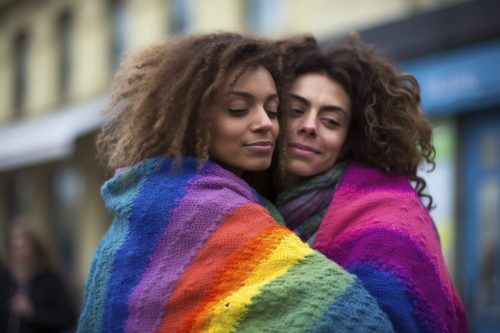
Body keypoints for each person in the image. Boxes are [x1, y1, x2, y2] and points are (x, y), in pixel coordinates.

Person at [77, 33, 394, 332]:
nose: (265, 124)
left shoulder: (129, 216)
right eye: (238, 109)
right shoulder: (216, 212)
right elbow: (354, 318)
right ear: (193, 118)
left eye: (272, 110)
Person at [273, 35, 468, 333]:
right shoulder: (252, 202)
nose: (310, 126)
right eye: (296, 110)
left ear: (349, 140)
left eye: (331, 121)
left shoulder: (391, 217)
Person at [6, 220, 77, 333]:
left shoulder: (50, 279)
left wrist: (33, 313)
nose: (17, 251)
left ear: (34, 247)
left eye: (22, 246)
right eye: (14, 246)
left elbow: (68, 317)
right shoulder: (7, 278)